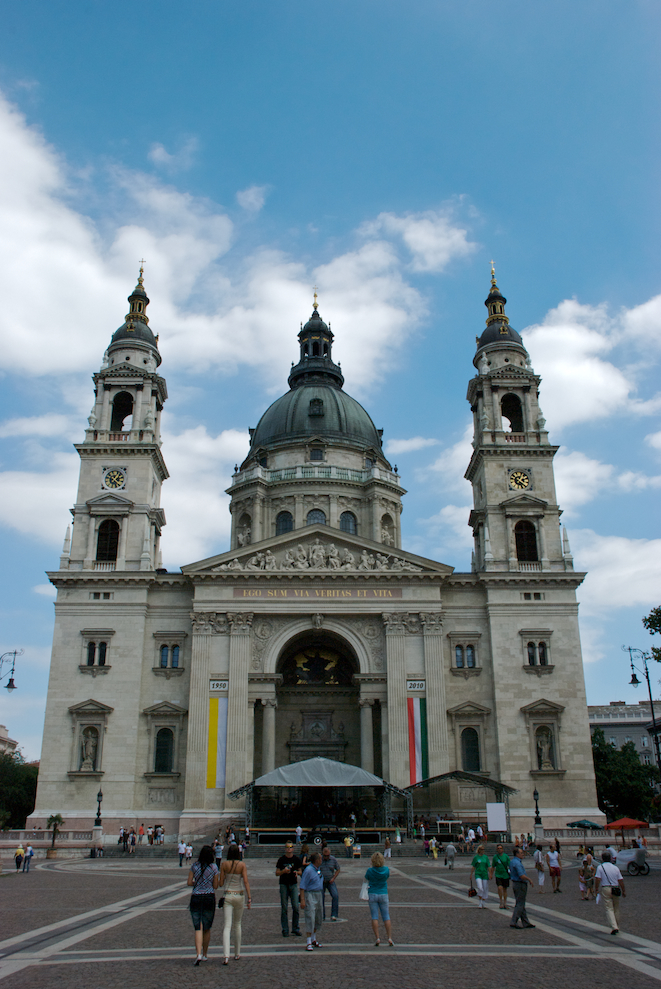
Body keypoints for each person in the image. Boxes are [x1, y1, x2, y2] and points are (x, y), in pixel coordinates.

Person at [187, 844, 220, 966]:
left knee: (197, 927)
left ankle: (198, 954)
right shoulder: (214, 867)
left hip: (196, 896)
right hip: (209, 897)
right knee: (207, 927)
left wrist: (197, 883)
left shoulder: (194, 866)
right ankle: (205, 954)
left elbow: (189, 882)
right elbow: (215, 886)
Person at [219, 843, 251, 963]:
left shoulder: (224, 864)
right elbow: (246, 881)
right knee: (237, 924)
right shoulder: (242, 865)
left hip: (228, 895)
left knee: (227, 925)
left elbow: (221, 883)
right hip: (239, 894)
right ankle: (237, 953)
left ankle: (226, 955)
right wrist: (249, 897)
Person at [365, 851, 393, 946]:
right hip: (383, 893)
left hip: (372, 893)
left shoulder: (370, 870)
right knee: (386, 916)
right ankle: (389, 938)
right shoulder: (386, 870)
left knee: (374, 916)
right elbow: (387, 877)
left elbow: (366, 878)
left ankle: (377, 938)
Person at [594, 850, 626, 935]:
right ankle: (617, 925)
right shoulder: (615, 868)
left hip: (606, 888)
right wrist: (623, 890)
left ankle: (614, 926)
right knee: (616, 908)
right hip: (616, 888)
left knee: (609, 908)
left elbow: (597, 879)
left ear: (602, 859)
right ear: (611, 858)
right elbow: (620, 880)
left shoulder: (600, 867)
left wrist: (596, 888)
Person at [276, 841, 302, 937]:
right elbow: (277, 872)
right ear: (285, 848)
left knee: (296, 907)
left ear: (293, 848)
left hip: (293, 884)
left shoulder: (296, 859)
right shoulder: (281, 859)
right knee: (284, 907)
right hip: (284, 884)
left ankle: (295, 928)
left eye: (290, 847)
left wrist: (297, 873)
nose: (289, 849)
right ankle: (285, 929)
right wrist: (283, 871)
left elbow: (301, 871)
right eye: (287, 847)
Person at [300, 851, 324, 950]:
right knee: (310, 916)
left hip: (318, 893)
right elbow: (302, 886)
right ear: (317, 860)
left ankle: (314, 938)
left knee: (318, 916)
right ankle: (308, 941)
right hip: (310, 894)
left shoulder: (318, 869)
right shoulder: (308, 870)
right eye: (320, 858)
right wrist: (302, 900)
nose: (322, 860)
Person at [509, 846, 535, 929]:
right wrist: (529, 879)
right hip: (520, 884)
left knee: (521, 903)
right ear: (517, 854)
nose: (523, 854)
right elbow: (521, 875)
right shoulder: (517, 863)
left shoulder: (512, 862)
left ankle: (525, 922)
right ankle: (514, 921)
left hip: (515, 883)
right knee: (520, 903)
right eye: (521, 853)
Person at [320, 845, 340, 921]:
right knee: (321, 898)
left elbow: (338, 869)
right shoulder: (320, 859)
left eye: (327, 855)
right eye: (325, 856)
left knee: (335, 895)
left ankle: (334, 914)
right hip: (322, 882)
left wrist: (333, 878)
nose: (326, 857)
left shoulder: (333, 859)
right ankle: (322, 915)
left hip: (330, 881)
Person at [490, 844, 511, 910]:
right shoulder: (495, 857)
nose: (499, 849)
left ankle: (505, 903)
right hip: (498, 874)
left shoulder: (506, 856)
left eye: (500, 848)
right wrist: (491, 874)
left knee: (505, 889)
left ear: (503, 849)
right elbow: (493, 866)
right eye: (498, 848)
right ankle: (501, 901)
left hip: (505, 875)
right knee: (499, 888)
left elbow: (509, 865)